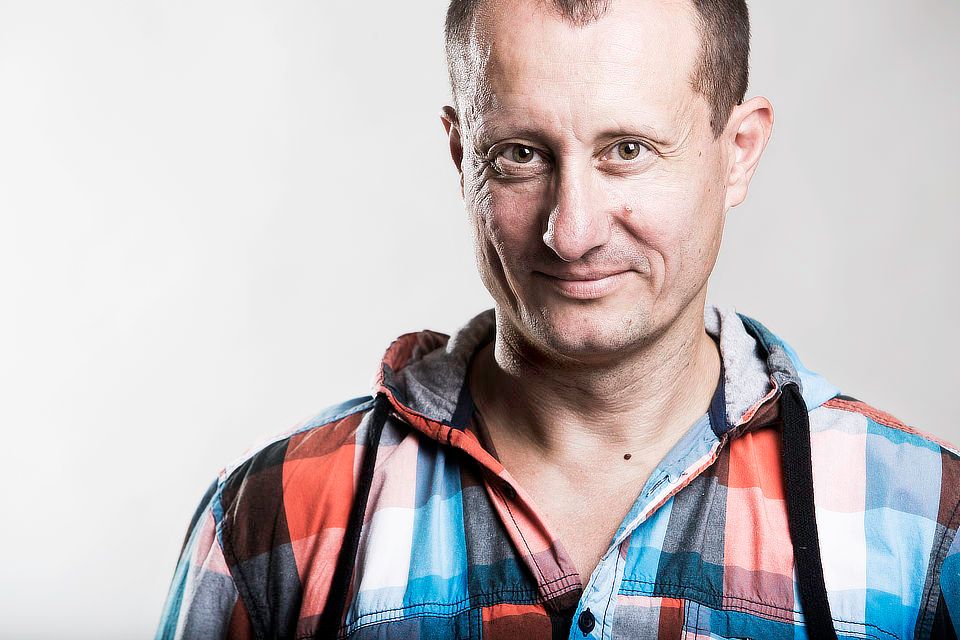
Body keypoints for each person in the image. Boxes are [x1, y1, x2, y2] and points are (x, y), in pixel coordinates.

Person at [156, 0, 960, 638]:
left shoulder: (927, 526)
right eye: (520, 153)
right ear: (461, 156)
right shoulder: (271, 521)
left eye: (628, 150)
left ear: (738, 151)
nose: (571, 232)